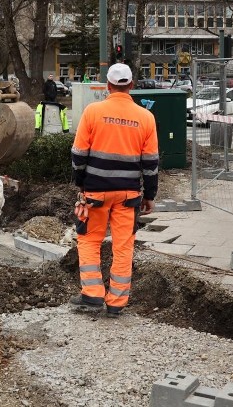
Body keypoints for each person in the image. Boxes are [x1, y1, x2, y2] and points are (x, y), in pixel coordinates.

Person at [69, 63, 159, 318]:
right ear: (131, 85)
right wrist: (149, 195)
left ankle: (93, 295)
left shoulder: (93, 112)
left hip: (95, 193)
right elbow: (151, 163)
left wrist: (81, 183)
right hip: (128, 195)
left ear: (108, 85)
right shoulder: (146, 117)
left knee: (88, 241)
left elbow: (78, 154)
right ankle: (117, 302)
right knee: (123, 245)